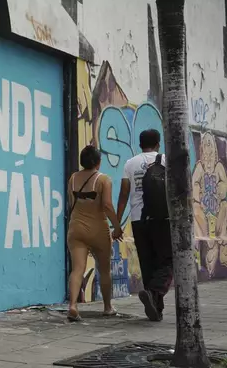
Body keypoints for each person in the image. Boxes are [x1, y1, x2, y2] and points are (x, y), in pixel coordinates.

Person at [117, 129, 172, 321]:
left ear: (140, 144)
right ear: (157, 143)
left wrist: (117, 223)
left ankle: (156, 309)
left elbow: (124, 193)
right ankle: (155, 292)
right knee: (168, 261)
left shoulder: (130, 163)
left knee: (147, 264)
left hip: (138, 219)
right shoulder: (166, 160)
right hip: (162, 218)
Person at [66, 145, 123, 321]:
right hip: (98, 229)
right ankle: (107, 307)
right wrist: (117, 227)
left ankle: (73, 305)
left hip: (76, 228)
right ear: (98, 162)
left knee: (77, 269)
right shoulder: (104, 180)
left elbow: (71, 202)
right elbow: (106, 205)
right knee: (104, 270)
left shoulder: (73, 179)